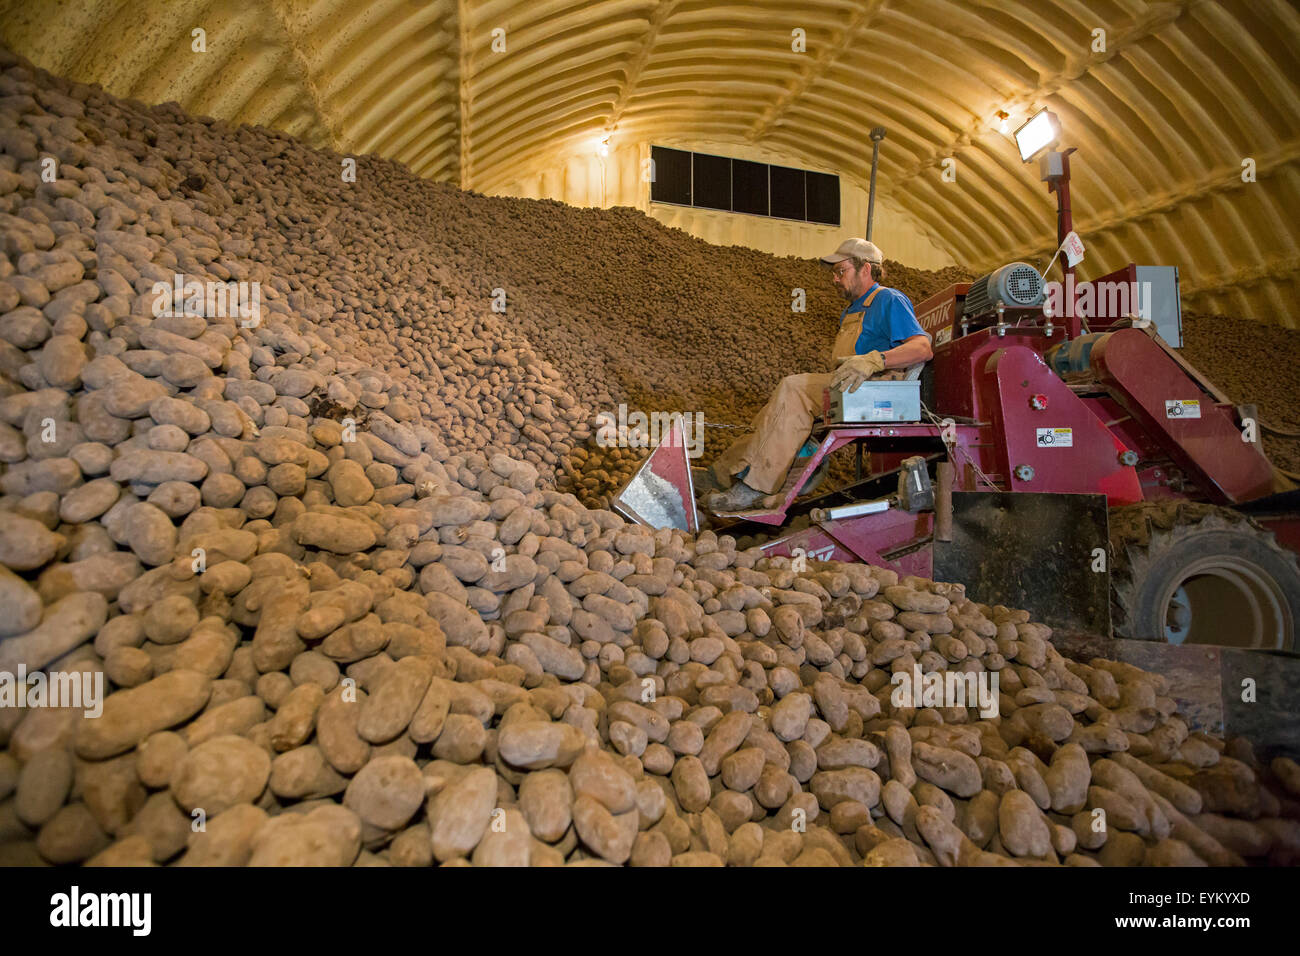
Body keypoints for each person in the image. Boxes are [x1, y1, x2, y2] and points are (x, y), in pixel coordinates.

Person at [700, 238, 933, 512]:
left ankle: (754, 487)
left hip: (876, 390)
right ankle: (723, 475)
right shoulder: (851, 311)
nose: (835, 279)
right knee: (772, 414)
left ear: (866, 269)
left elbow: (923, 347)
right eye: (833, 273)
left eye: (841, 271)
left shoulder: (889, 299)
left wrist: (875, 359)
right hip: (851, 386)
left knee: (794, 388)